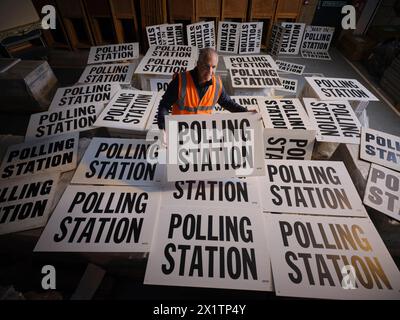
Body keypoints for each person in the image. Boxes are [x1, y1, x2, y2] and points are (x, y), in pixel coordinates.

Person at [157, 47, 253, 132]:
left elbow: (228, 103)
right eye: (206, 66)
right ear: (198, 64)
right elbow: (164, 105)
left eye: (213, 67)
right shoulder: (180, 81)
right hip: (180, 131)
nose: (210, 72)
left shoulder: (217, 84)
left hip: (202, 134)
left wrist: (246, 112)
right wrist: (163, 128)